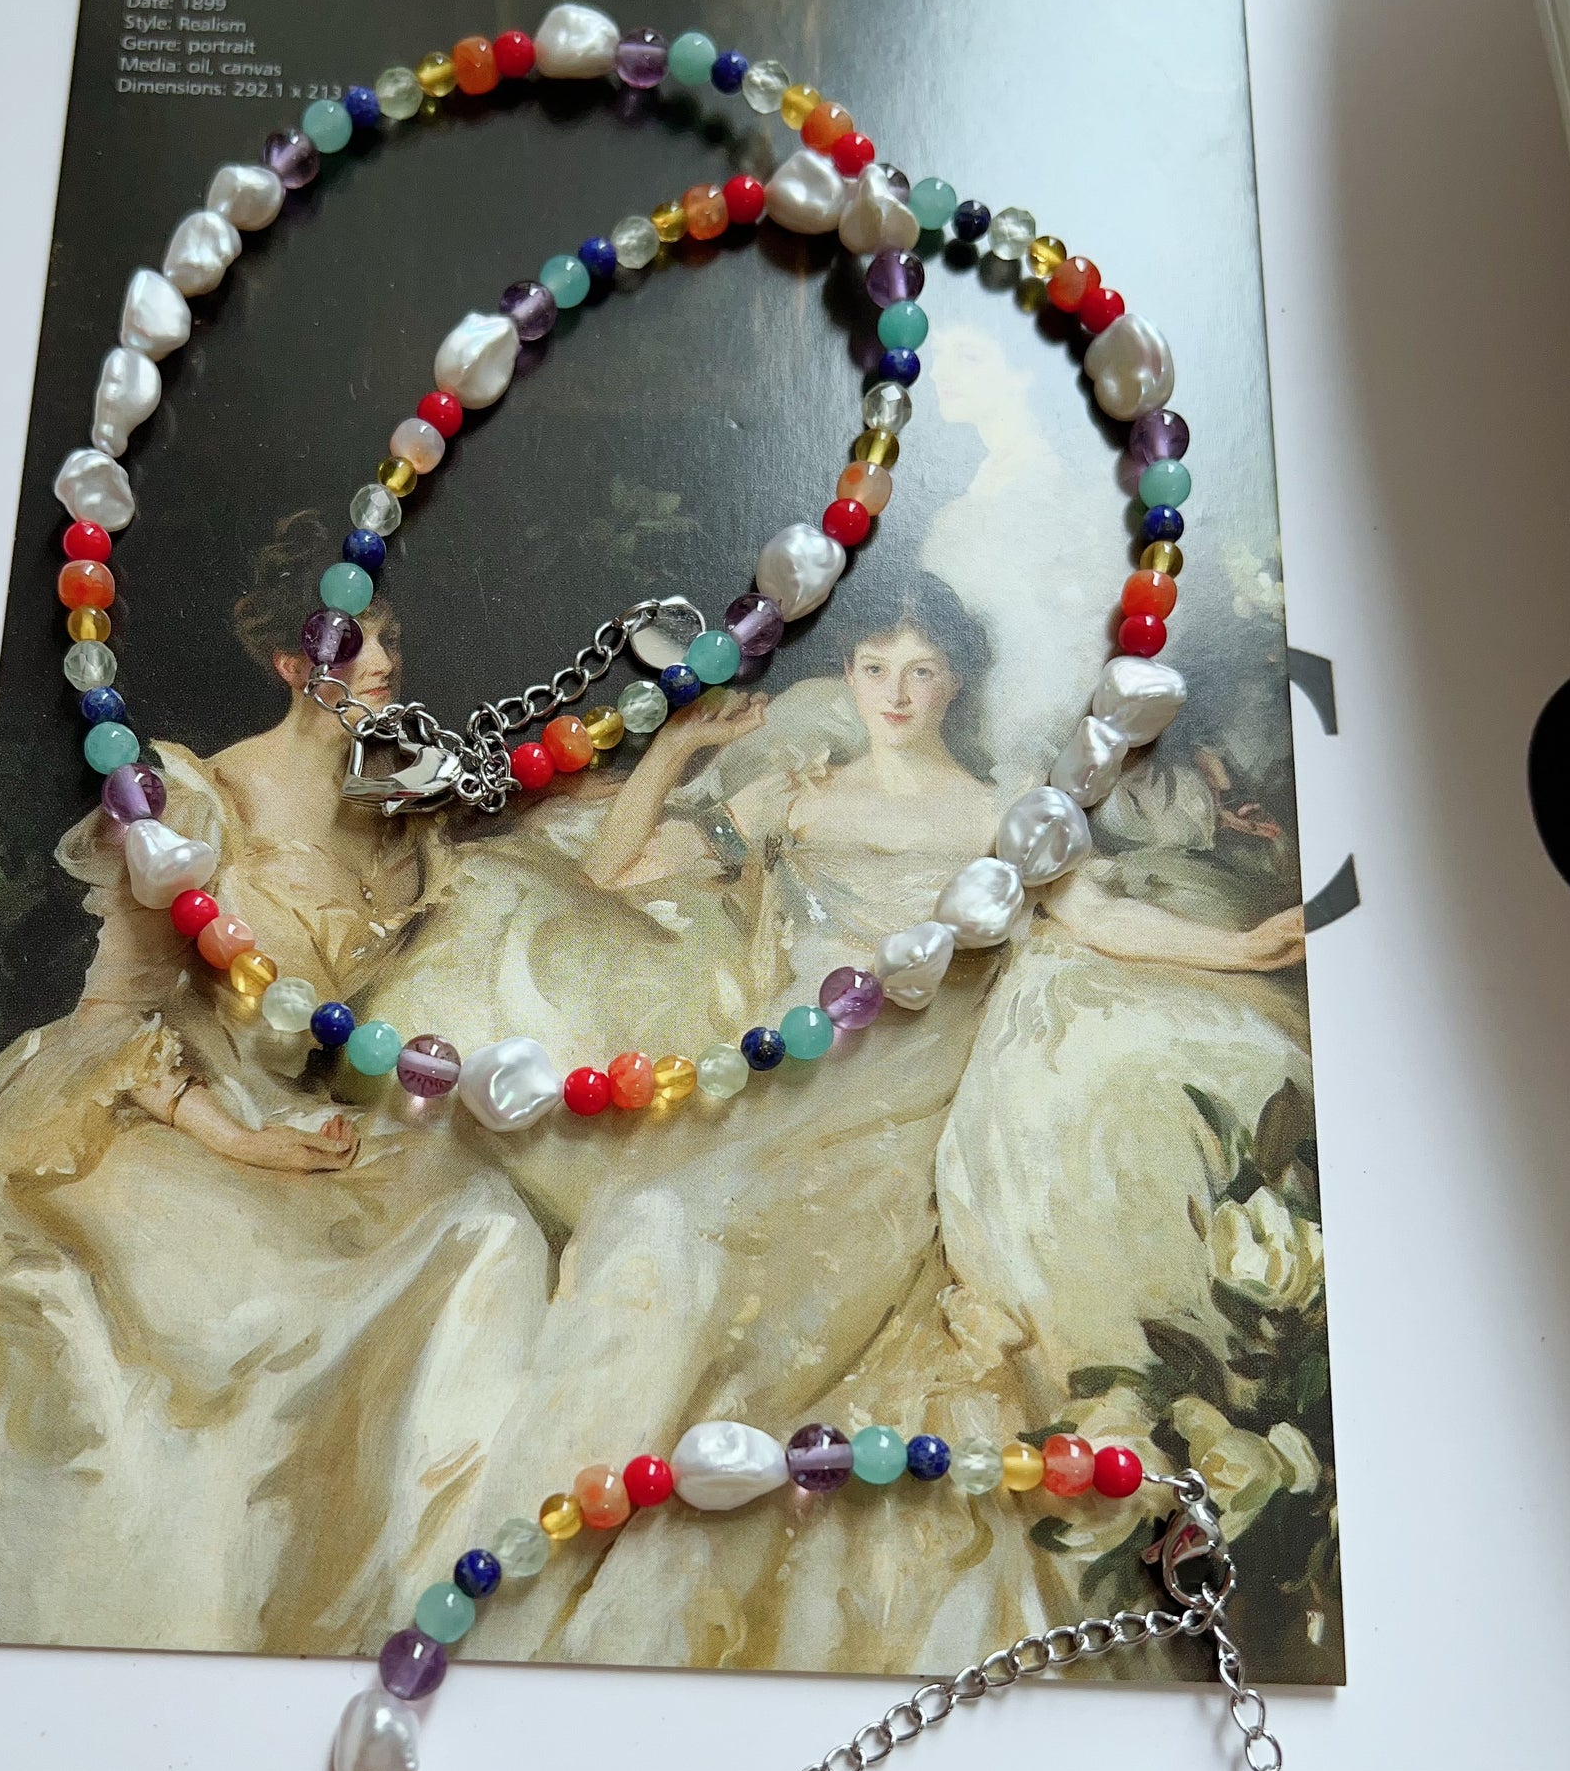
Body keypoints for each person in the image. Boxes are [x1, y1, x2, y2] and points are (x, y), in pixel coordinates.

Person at [380, 576, 1310, 1676]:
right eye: (874, 669)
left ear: (954, 682)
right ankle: (522, 1561)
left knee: (701, 1261)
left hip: (897, 1093)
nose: (895, 693)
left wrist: (1240, 950)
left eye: (920, 671)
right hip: (781, 1077)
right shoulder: (797, 798)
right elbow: (613, 872)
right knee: (651, 1226)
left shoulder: (996, 809)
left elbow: (1097, 912)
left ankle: (597, 1545)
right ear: (851, 677)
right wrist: (676, 750)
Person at [0, 544, 549, 1655]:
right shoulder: (199, 798)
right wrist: (239, 1140)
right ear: (290, 664)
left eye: (390, 638)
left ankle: (427, 1602)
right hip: (155, 1104)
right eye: (352, 642)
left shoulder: (402, 806)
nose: (381, 660)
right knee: (232, 1321)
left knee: (485, 1227)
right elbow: (114, 1011)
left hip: (308, 1107)